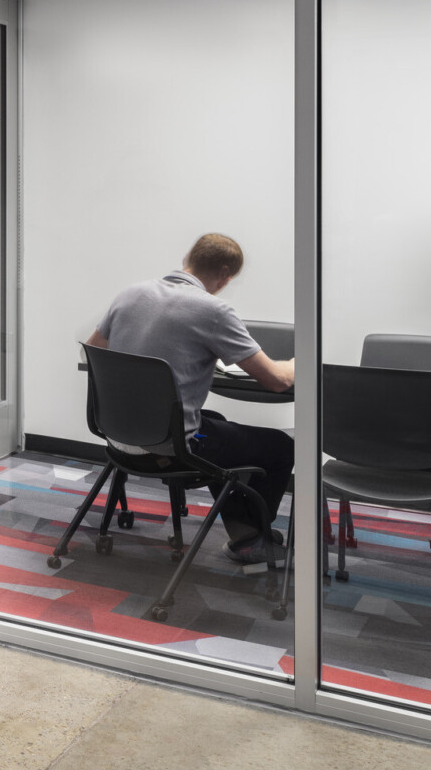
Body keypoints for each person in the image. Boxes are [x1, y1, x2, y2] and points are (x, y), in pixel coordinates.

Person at [85, 233, 294, 566]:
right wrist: (299, 363)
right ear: (225, 275)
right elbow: (277, 380)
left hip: (116, 436)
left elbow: (93, 350)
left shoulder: (130, 293)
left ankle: (244, 532)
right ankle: (253, 537)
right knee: (282, 446)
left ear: (188, 257)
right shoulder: (213, 310)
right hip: (169, 448)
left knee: (216, 426)